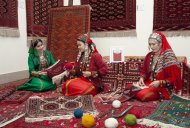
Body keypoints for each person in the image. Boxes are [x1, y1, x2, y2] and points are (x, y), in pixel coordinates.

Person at [136, 32, 182, 101]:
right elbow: (144, 70)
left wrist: (160, 82)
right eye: (150, 44)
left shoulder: (168, 57)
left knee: (142, 95)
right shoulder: (149, 55)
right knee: (130, 88)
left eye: (153, 44)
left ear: (160, 44)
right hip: (149, 83)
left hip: (163, 87)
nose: (151, 47)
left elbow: (174, 79)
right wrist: (142, 78)